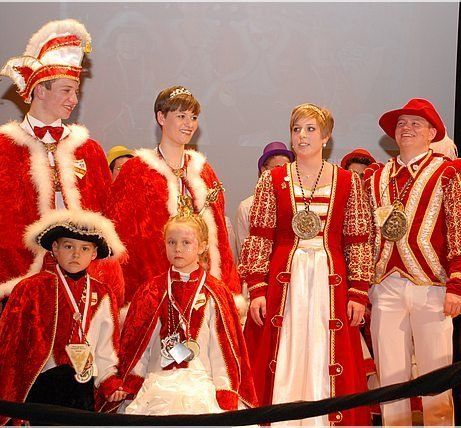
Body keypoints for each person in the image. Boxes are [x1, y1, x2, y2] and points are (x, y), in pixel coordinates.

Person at [0, 19, 117, 385]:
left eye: (76, 91)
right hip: (19, 291)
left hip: (80, 290)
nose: (74, 99)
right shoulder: (0, 148)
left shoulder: (89, 150)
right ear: (39, 90)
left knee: (74, 384)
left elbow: (107, 225)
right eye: (67, 90)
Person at [364, 98, 461, 426]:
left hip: (433, 289)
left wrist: (459, 285)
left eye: (416, 123)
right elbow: (367, 234)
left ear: (431, 133)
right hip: (385, 288)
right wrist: (363, 284)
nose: (407, 128)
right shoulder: (376, 177)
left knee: (436, 377)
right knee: (389, 379)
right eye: (401, 123)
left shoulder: (447, 172)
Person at [239, 103, 372, 426]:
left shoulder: (347, 181)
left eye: (310, 129)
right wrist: (257, 288)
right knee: (285, 352)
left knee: (326, 353)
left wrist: (358, 291)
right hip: (285, 286)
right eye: (296, 129)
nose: (302, 136)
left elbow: (358, 239)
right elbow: (260, 237)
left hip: (330, 286)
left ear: (326, 136)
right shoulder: (273, 180)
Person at [0, 209, 126, 426]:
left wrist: (108, 380)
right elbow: (10, 352)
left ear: (94, 254)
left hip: (83, 390)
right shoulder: (30, 289)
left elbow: (105, 346)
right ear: (54, 248)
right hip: (40, 388)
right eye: (68, 246)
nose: (76, 254)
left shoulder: (102, 293)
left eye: (84, 248)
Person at [107, 200, 257, 414]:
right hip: (158, 381)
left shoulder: (216, 291)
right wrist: (132, 382)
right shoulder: (151, 290)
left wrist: (224, 392)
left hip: (202, 384)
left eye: (186, 242)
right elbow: (138, 344)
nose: (177, 248)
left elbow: (222, 348)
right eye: (171, 242)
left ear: (202, 246)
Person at [105, 85, 242, 316]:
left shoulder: (203, 171)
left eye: (193, 117)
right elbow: (120, 236)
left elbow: (219, 238)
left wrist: (228, 287)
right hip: (154, 288)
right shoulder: (137, 171)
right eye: (181, 116)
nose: (189, 123)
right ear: (161, 118)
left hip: (201, 288)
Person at [235, 141, 294, 255]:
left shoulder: (295, 203)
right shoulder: (247, 206)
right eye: (278, 168)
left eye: (287, 168)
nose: (283, 173)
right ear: (264, 170)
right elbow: (243, 249)